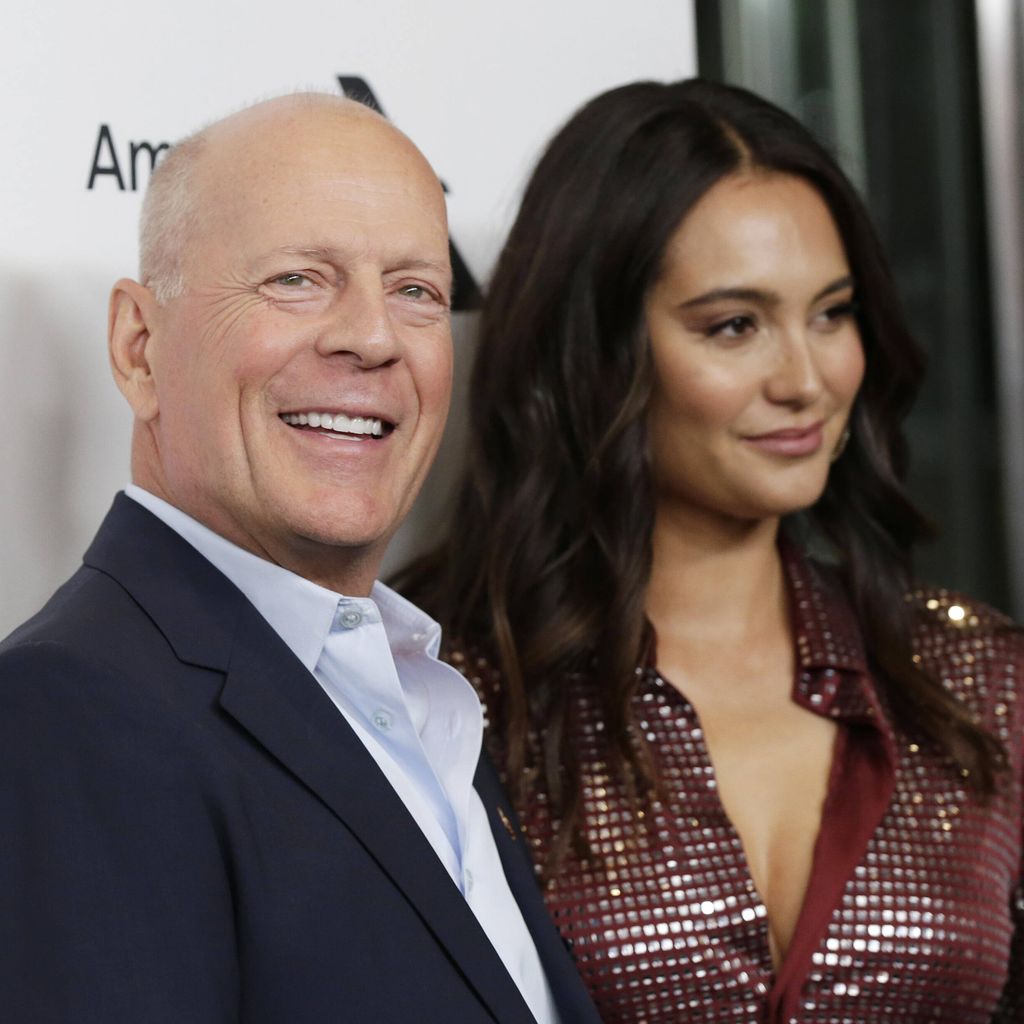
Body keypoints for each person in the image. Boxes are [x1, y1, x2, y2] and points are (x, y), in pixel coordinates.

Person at [395, 79, 1024, 1021]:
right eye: (735, 325)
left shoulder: (975, 678)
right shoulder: (439, 691)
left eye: (832, 313)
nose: (805, 380)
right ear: (597, 351)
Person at [0, 93, 601, 1024]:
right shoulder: (63, 713)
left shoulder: (416, 696)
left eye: (415, 292)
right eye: (296, 279)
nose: (370, 337)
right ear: (139, 347)